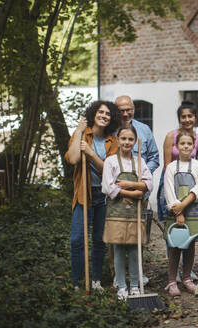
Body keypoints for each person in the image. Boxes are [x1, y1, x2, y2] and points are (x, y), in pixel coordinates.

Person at [65, 100, 121, 291]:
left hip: (103, 197)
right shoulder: (82, 135)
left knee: (99, 240)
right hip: (83, 194)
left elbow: (110, 171)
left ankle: (95, 280)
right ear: (93, 114)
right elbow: (72, 159)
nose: (104, 116)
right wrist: (80, 131)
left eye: (108, 114)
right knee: (77, 240)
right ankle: (77, 282)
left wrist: (89, 153)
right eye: (101, 112)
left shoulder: (112, 142)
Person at [101, 126, 153, 299]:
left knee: (134, 249)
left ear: (135, 141)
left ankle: (135, 286)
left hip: (135, 213)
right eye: (123, 139)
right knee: (118, 249)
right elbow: (108, 187)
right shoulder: (110, 162)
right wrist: (134, 193)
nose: (127, 142)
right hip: (117, 212)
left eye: (131, 139)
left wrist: (131, 185)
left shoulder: (140, 162)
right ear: (118, 140)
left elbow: (148, 184)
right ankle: (122, 286)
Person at [115, 95, 159, 287]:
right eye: (121, 110)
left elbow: (154, 157)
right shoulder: (112, 130)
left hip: (141, 192)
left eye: (128, 109)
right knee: (118, 235)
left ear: (133, 108)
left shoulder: (144, 130)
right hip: (118, 192)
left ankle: (137, 273)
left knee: (138, 235)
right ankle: (118, 275)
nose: (125, 113)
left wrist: (139, 177)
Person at [158, 101, 198, 281]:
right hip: (171, 182)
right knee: (174, 227)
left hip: (189, 184)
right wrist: (175, 199)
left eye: (190, 116)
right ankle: (174, 269)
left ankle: (186, 270)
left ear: (195, 118)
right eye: (183, 117)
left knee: (188, 228)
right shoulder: (171, 136)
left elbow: (196, 164)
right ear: (179, 119)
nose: (187, 119)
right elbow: (167, 165)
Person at [163, 130, 198, 295]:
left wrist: (183, 205)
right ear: (176, 146)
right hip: (176, 213)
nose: (186, 146)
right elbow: (169, 191)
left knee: (190, 245)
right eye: (182, 143)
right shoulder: (171, 167)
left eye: (189, 143)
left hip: (193, 210)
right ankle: (172, 281)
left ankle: (187, 277)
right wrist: (177, 211)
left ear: (194, 146)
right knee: (175, 246)